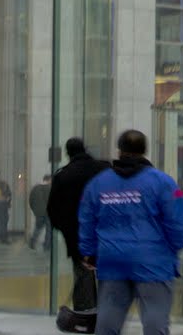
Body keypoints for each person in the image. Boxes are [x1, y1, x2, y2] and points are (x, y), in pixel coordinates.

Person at [78, 129, 183, 335]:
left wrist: (89, 251)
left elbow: (86, 218)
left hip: (112, 262)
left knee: (107, 324)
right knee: (155, 323)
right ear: (144, 151)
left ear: (120, 151)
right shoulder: (163, 182)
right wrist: (172, 249)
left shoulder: (98, 184)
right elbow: (179, 221)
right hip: (153, 263)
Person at [48, 137, 113, 320]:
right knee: (107, 275)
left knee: (82, 276)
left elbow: (52, 209)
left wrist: (65, 229)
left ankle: (85, 315)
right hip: (105, 232)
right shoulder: (104, 169)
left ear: (68, 153)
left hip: (76, 235)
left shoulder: (63, 175)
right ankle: (109, 314)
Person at [29, 173, 53, 251]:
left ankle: (32, 242)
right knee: (49, 230)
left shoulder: (35, 188)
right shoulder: (50, 188)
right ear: (49, 180)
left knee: (37, 228)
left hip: (38, 213)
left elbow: (31, 201)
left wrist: (34, 210)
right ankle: (47, 246)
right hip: (48, 213)